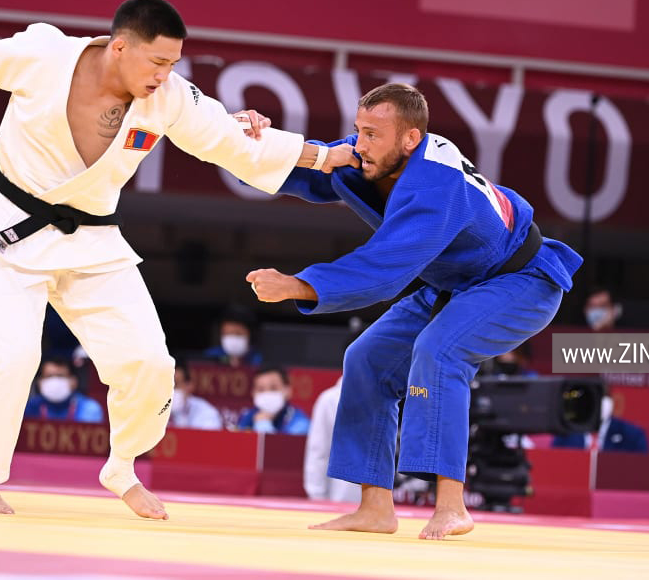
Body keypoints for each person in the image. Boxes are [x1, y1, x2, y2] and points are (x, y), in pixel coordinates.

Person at [0, 0, 355, 518]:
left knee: (151, 363)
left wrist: (325, 156)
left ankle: (121, 466)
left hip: (93, 239)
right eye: (157, 62)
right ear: (120, 47)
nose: (165, 75)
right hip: (11, 227)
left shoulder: (168, 97)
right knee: (13, 358)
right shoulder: (46, 54)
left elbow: (231, 142)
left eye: (173, 64)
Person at [246, 83, 582, 540]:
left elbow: (384, 268)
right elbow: (311, 168)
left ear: (410, 138)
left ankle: (452, 507)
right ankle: (375, 508)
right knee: (366, 358)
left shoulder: (434, 184)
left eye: (372, 134)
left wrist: (298, 285)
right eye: (358, 130)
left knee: (439, 351)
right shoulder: (371, 155)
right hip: (456, 283)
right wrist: (247, 145)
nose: (360, 144)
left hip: (521, 280)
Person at [304, 376, 362, 503]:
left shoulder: (396, 396)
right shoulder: (330, 400)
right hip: (343, 499)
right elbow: (319, 452)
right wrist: (317, 497)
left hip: (393, 498)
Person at [552, 389, 648, 453]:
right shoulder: (565, 433)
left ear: (609, 402)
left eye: (600, 396)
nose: (594, 403)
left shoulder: (632, 436)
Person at [24, 357, 104, 423]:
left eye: (60, 376)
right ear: (39, 382)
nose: (54, 381)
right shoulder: (28, 407)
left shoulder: (89, 408)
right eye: (49, 376)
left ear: (74, 381)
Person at [236, 366, 310, 435]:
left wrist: (263, 423)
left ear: (288, 391)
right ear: (253, 393)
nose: (267, 393)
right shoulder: (248, 416)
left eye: (273, 388)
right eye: (261, 389)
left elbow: (284, 444)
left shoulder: (300, 424)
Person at [169, 360, 223, 431]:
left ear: (189, 386)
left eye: (175, 384)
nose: (170, 390)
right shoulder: (155, 411)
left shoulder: (206, 413)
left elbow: (211, 437)